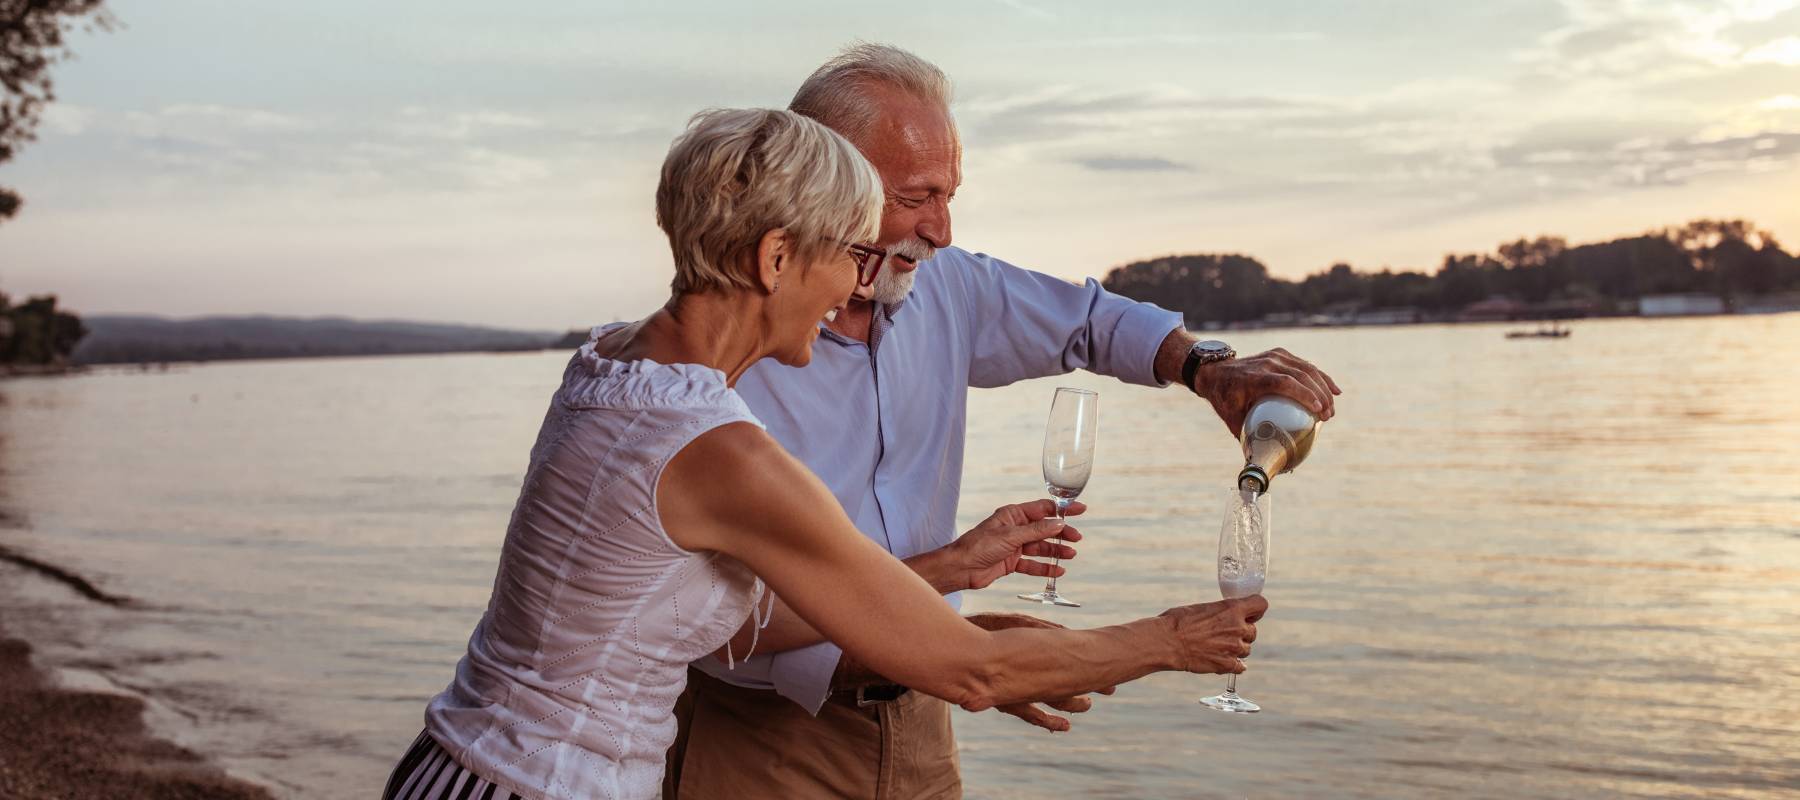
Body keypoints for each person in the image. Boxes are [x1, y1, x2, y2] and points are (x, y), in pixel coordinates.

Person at [383, 107, 1267, 800]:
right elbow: (976, 672)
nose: (857, 287)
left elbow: (719, 615)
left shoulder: (610, 365)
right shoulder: (717, 448)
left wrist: (937, 586)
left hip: (457, 766)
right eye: (849, 255)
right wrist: (1172, 641)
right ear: (775, 258)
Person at [664, 45, 1342, 800]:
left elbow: (1090, 320)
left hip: (924, 720)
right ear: (829, 184)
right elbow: (715, 621)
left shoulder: (944, 288)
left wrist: (1206, 367)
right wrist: (1155, 641)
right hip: (759, 745)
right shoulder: (714, 366)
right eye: (918, 197)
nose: (943, 230)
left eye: (950, 195)